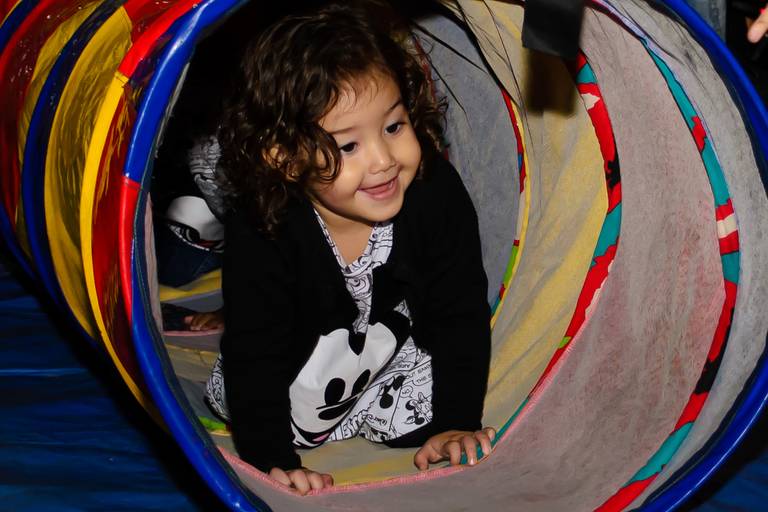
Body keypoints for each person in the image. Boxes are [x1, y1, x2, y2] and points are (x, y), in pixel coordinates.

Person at [207, 0, 494, 495]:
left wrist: (456, 422)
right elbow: (255, 350)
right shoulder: (263, 226)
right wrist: (272, 459)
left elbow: (459, 309)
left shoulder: (433, 192)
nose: (383, 160)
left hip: (385, 361)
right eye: (348, 146)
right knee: (255, 390)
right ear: (286, 159)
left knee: (437, 385)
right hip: (293, 370)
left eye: (394, 126)